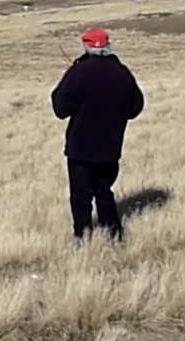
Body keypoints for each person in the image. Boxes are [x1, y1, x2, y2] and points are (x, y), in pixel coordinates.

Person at [50, 27, 145, 242]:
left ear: (86, 46)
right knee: (104, 191)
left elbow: (60, 108)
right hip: (111, 147)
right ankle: (113, 234)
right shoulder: (122, 73)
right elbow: (135, 107)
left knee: (80, 196)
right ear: (107, 46)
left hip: (80, 149)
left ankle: (82, 236)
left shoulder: (78, 72)